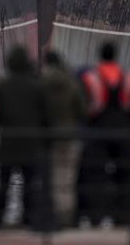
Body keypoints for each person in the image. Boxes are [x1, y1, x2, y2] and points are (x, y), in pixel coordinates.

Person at [0, 45, 50, 231]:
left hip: (8, 145)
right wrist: (45, 142)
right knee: (30, 185)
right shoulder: (37, 87)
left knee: (3, 186)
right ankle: (29, 220)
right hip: (31, 145)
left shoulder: (1, 86)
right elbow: (45, 117)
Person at [80, 42, 130, 226]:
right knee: (124, 173)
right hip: (123, 131)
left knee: (96, 174)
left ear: (100, 55)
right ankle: (122, 216)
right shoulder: (128, 76)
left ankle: (96, 216)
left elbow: (89, 107)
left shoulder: (91, 76)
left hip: (99, 131)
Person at [41, 50, 86, 229]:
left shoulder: (41, 83)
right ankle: (67, 217)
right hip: (71, 136)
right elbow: (82, 110)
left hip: (50, 137)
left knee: (50, 178)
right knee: (68, 179)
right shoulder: (72, 83)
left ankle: (50, 217)